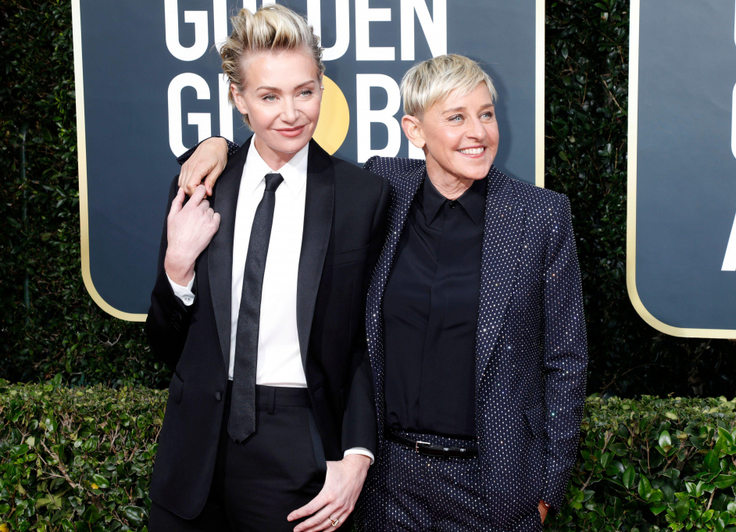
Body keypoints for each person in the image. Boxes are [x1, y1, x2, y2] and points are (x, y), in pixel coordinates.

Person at [181, 54, 587, 531]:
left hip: (495, 484)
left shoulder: (538, 215)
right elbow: (285, 154)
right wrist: (219, 146)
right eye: (456, 117)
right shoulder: (381, 188)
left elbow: (566, 359)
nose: (477, 132)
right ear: (414, 131)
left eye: (486, 114)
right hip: (389, 483)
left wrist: (546, 492)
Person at [145, 5, 389, 532]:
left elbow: (367, 345)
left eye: (305, 91)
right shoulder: (200, 183)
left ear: (323, 87)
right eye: (269, 96)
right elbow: (165, 346)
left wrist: (358, 453)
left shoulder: (361, 197)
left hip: (299, 449)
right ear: (239, 98)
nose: (292, 113)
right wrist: (177, 269)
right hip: (194, 456)